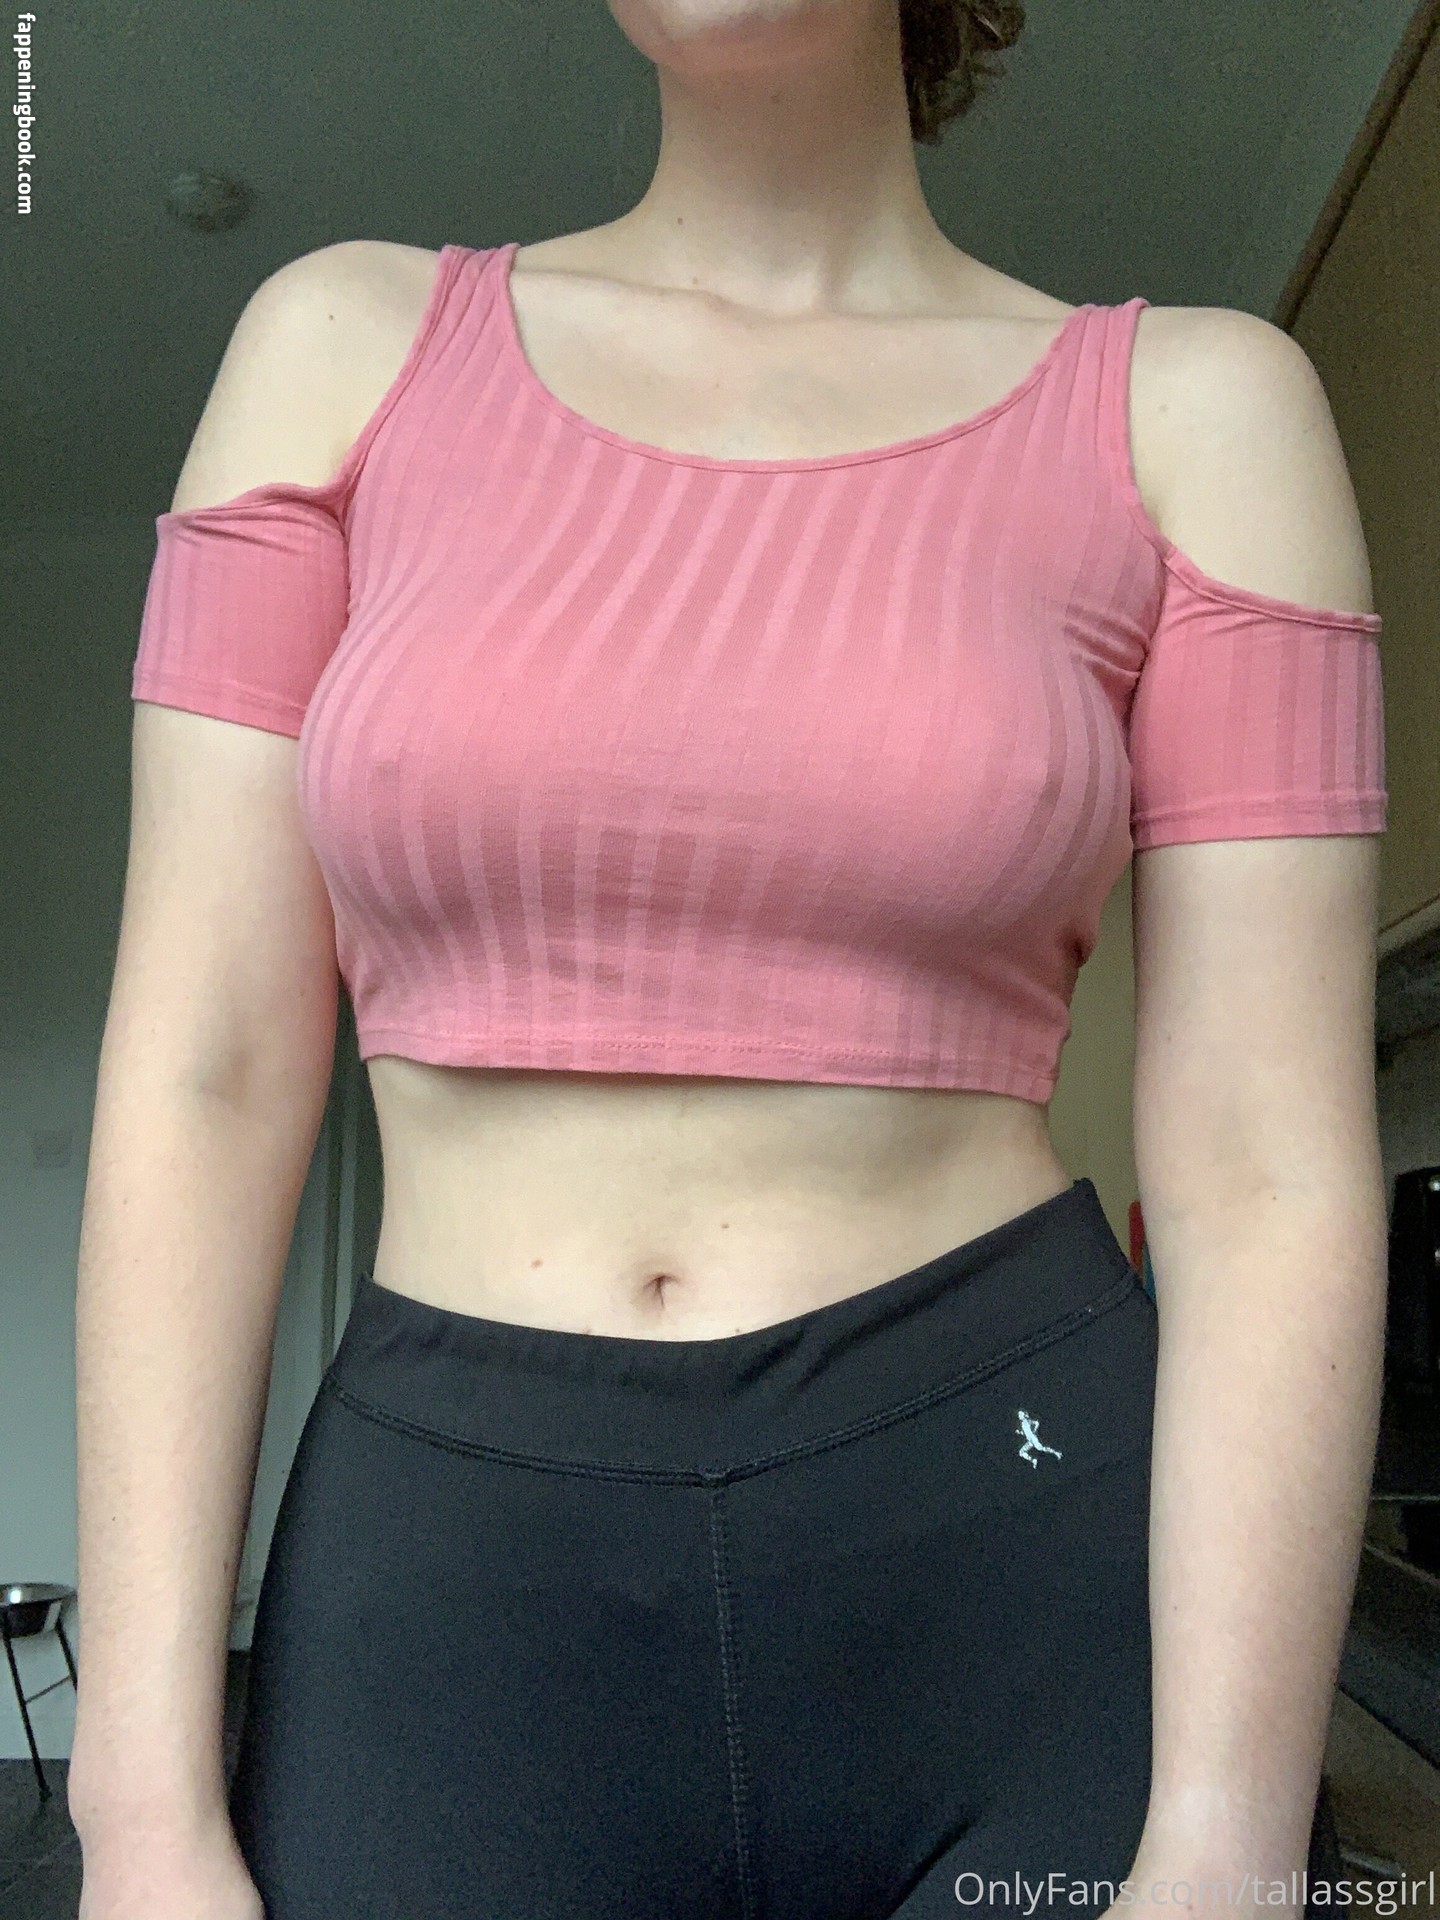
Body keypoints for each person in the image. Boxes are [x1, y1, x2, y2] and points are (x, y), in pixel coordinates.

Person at [69, 2, 1391, 1916]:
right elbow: (203, 1073)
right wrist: (135, 1806)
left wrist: (1232, 1843)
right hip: (454, 1585)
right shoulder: (337, 349)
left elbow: (1268, 1165)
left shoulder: (1201, 410)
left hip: (1029, 1548)